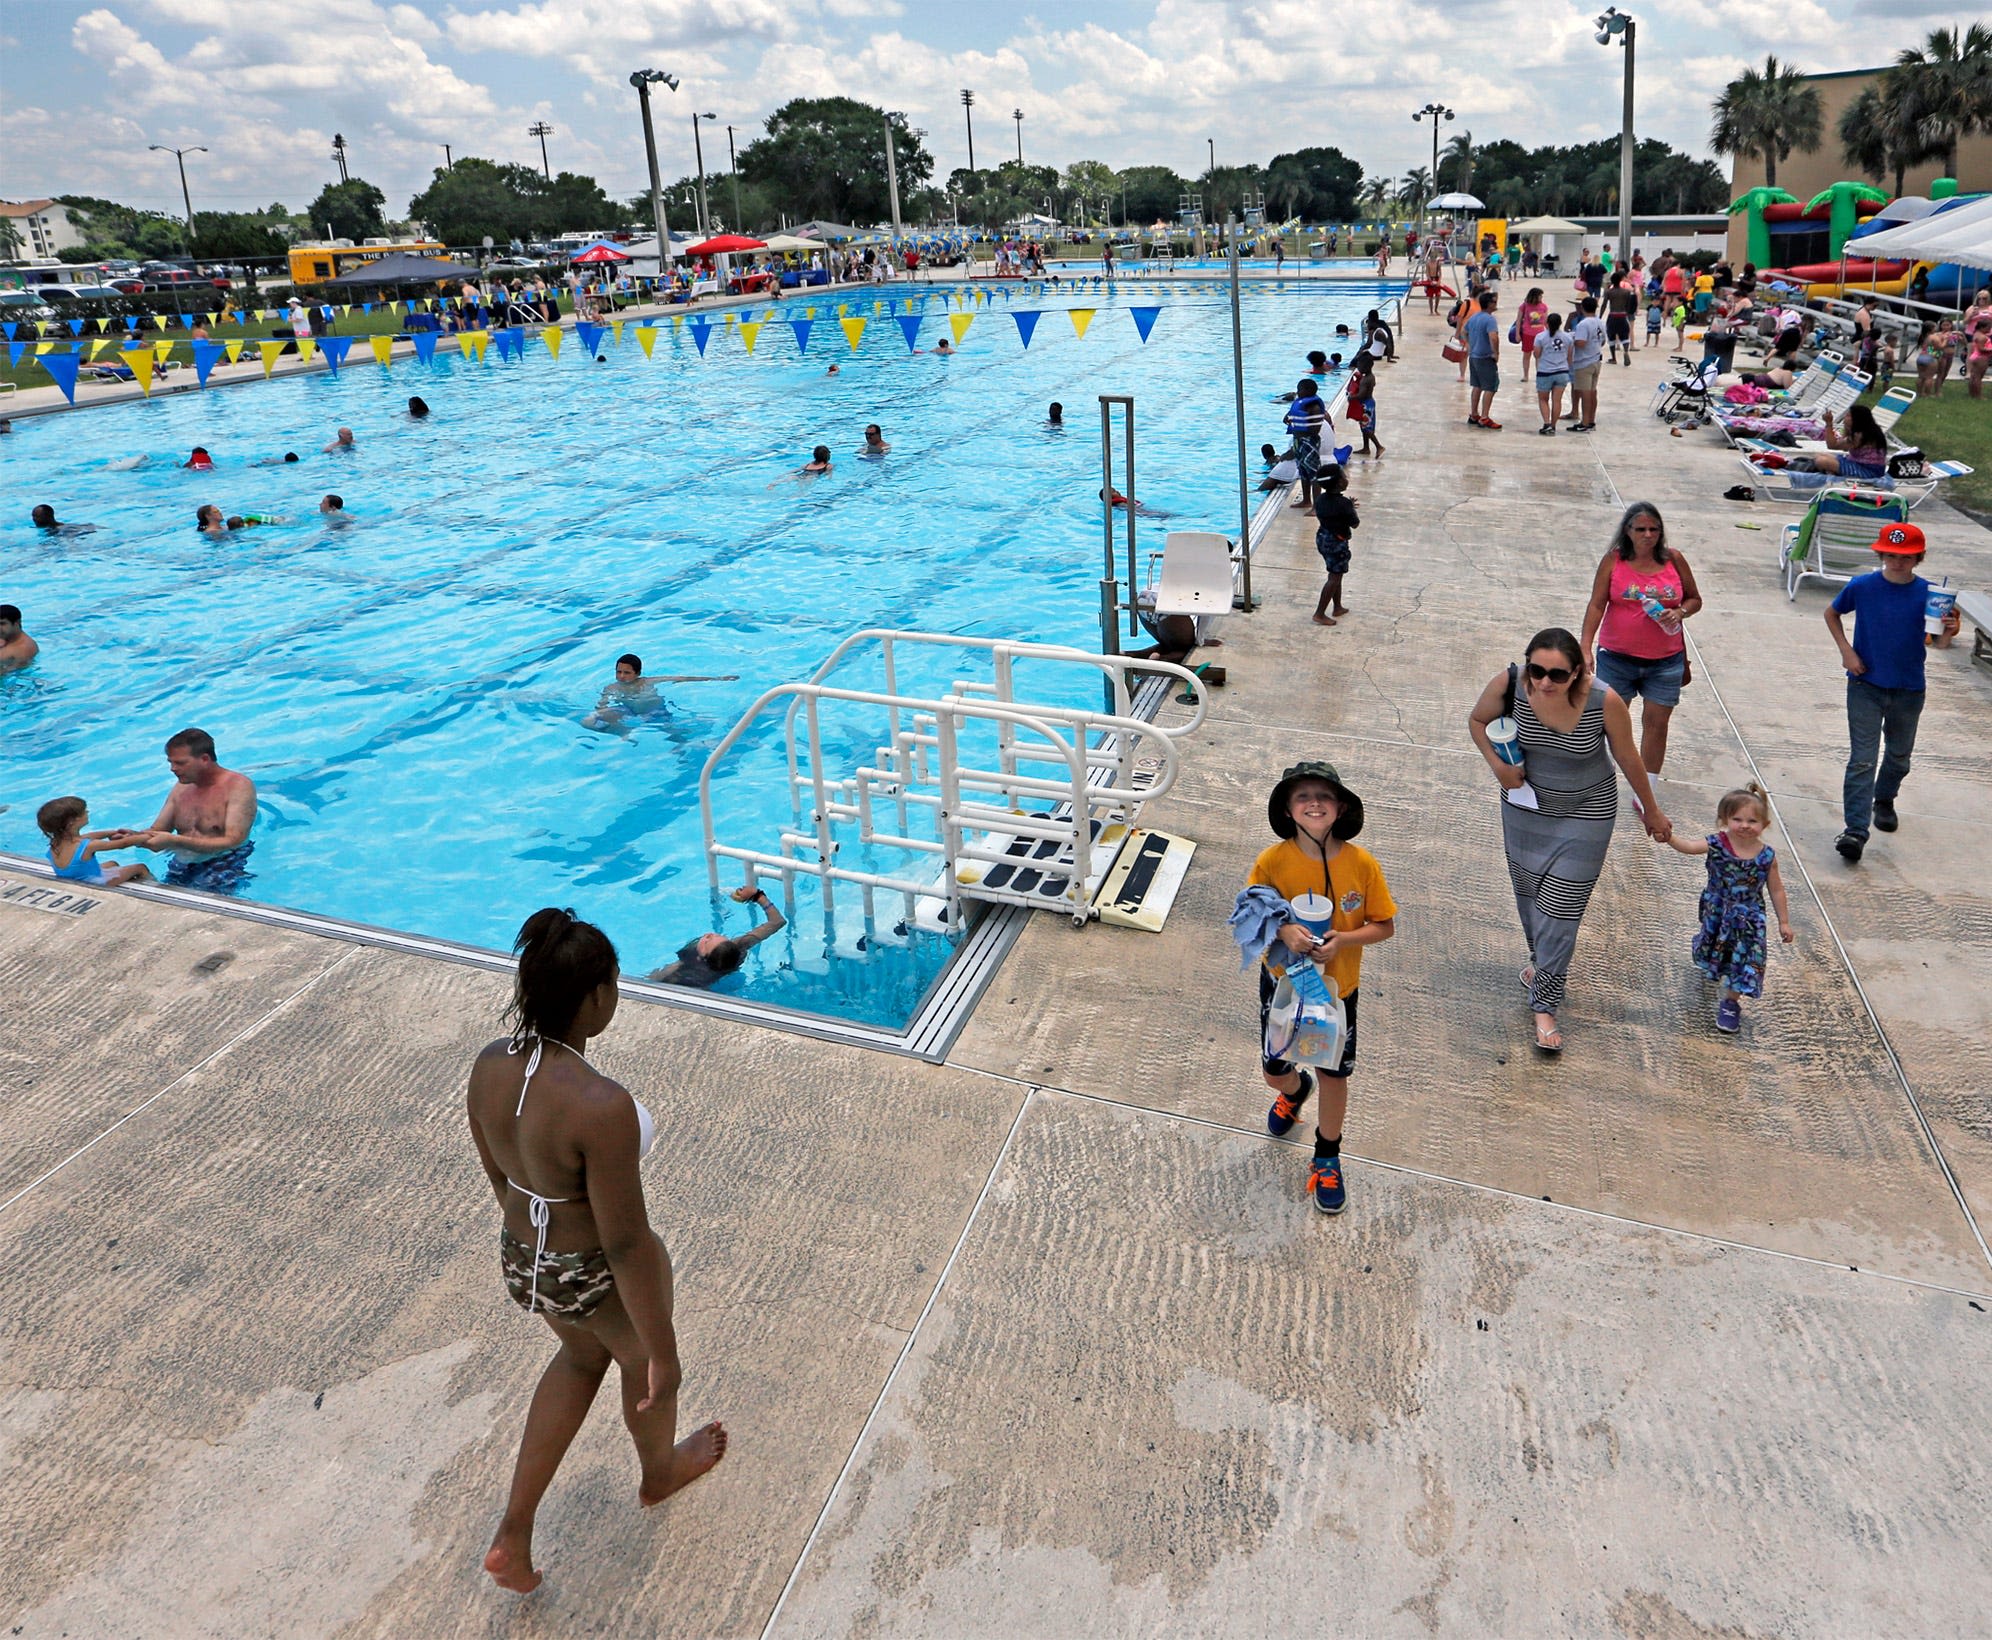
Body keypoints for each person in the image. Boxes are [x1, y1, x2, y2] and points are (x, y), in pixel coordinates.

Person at [468, 908, 726, 1595]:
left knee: (581, 1358)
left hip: (524, 1253)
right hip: (588, 1269)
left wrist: (536, 1250)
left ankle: (514, 1533)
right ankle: (659, 1474)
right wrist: (663, 1352)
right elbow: (626, 1241)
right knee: (642, 1373)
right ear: (598, 997)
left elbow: (498, 1171)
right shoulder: (599, 1104)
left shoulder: (492, 1064)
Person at [1467, 629, 1671, 1054]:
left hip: (1587, 813)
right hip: (1526, 808)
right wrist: (1497, 768)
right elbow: (1477, 721)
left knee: (1561, 907)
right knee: (1530, 898)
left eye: (1557, 675)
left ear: (1577, 672)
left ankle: (1545, 1004)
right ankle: (1542, 965)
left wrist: (1651, 809)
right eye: (1537, 671)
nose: (1544, 682)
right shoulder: (1509, 682)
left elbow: (1628, 757)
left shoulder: (1604, 701)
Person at [1247, 761, 1396, 1217]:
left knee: (1336, 1074)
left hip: (1337, 989)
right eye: (1302, 797)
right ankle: (1293, 1091)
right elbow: (1250, 916)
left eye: (1324, 796)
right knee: (1275, 1067)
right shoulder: (1272, 861)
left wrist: (1344, 940)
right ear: (1288, 811)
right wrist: (1284, 929)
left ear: (1341, 808)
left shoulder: (1361, 864)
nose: (1314, 803)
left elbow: (1384, 925)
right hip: (1283, 985)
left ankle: (1328, 1153)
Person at [1825, 521, 1959, 863]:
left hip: (1908, 688)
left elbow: (1939, 643)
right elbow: (1832, 613)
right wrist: (1846, 651)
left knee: (1899, 756)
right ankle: (1855, 830)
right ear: (1881, 554)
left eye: (1907, 557)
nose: (1897, 563)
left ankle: (1884, 798)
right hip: (1865, 685)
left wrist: (1949, 631)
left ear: (1918, 559)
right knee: (1862, 759)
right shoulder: (1863, 586)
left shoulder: (1929, 595)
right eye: (1891, 555)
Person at [1658, 784, 1793, 1034]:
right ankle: (1707, 952)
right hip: (1718, 910)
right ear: (1724, 820)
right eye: (1737, 819)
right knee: (1714, 949)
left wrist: (1784, 921)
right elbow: (1688, 847)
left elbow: (1776, 889)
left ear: (1764, 824)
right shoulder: (1717, 844)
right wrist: (1669, 837)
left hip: (1750, 918)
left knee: (1745, 961)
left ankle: (1731, 1003)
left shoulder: (1767, 857)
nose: (1744, 825)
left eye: (1752, 820)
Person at [1578, 503, 1702, 773]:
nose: (1648, 535)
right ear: (1628, 531)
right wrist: (1585, 646)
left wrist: (1680, 612)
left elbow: (1695, 599)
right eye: (1641, 529)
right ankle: (1599, 775)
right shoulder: (1614, 560)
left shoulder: (1674, 560)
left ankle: (1647, 790)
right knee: (1608, 722)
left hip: (1665, 661)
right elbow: (1597, 604)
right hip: (1616, 659)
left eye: (1654, 529)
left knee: (1657, 726)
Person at [101, 727, 258, 893]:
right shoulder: (182, 787)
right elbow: (158, 830)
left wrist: (175, 841)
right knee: (164, 895)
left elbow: (234, 841)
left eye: (180, 763)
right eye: (171, 762)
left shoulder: (238, 787)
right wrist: (134, 837)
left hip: (225, 858)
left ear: (205, 759)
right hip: (184, 859)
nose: (173, 769)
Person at [648, 884, 786, 989]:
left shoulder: (684, 968)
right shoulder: (738, 947)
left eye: (708, 940)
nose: (709, 934)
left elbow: (653, 980)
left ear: (700, 956)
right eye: (717, 936)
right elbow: (777, 921)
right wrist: (758, 896)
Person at [583, 653, 738, 732]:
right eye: (619, 672)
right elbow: (601, 706)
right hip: (629, 712)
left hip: (655, 712)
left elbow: (684, 678)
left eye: (627, 673)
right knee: (589, 721)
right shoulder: (611, 688)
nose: (622, 676)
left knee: (674, 733)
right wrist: (599, 715)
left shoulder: (648, 681)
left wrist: (719, 679)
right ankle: (624, 733)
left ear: (637, 673)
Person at [1748, 406, 1890, 482]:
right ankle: (1800, 465)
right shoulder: (1864, 431)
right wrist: (1829, 424)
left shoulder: (1862, 435)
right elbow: (1832, 445)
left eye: (1848, 416)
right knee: (1821, 456)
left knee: (1822, 460)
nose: (1845, 418)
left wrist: (1829, 424)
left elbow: (1833, 445)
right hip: (1857, 464)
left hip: (1867, 471)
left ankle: (1797, 466)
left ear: (1857, 419)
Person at [37, 796, 154, 887]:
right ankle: (154, 887)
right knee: (140, 867)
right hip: (94, 884)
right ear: (72, 821)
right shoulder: (89, 846)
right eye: (84, 812)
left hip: (73, 878)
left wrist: (112, 833)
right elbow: (122, 845)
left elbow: (90, 836)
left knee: (113, 863)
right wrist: (143, 837)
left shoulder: (56, 843)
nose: (87, 812)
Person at [1311, 463, 1358, 627]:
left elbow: (1330, 514)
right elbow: (1355, 523)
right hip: (1337, 543)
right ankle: (1319, 613)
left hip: (1323, 538)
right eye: (1344, 476)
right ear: (1339, 483)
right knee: (1335, 577)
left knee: (1336, 573)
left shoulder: (1320, 499)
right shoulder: (1344, 503)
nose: (1347, 478)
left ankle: (1337, 606)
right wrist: (1351, 508)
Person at [1283, 376, 1328, 508]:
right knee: (1303, 471)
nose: (1298, 392)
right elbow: (1287, 417)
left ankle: (1316, 506)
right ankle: (1306, 500)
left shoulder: (1314, 407)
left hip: (1309, 442)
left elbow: (1316, 428)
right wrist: (1290, 419)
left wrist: (1305, 432)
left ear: (1308, 391)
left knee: (1313, 473)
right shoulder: (1300, 403)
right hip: (1298, 440)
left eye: (1300, 390)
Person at [1566, 296, 1606, 431]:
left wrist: (1573, 339)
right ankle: (1591, 420)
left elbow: (1581, 343)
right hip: (1596, 359)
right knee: (1593, 392)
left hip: (1584, 362)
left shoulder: (1583, 324)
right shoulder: (1600, 322)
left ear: (1583, 307)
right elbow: (1603, 341)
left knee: (1585, 393)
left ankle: (1585, 422)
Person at [1465, 289, 1502, 429]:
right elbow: (1493, 336)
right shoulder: (1490, 319)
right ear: (1488, 304)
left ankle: (1474, 414)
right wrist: (1496, 352)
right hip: (1485, 357)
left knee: (1477, 386)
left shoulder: (1474, 317)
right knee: (1490, 387)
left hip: (1474, 356)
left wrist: (1469, 345)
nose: (1496, 303)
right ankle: (1485, 417)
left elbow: (1464, 331)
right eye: (1494, 302)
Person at [1532, 312, 1574, 435]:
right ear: (1560, 323)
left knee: (1543, 399)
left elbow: (1536, 354)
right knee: (1557, 400)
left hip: (1545, 371)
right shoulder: (1567, 337)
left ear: (1547, 323)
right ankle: (1554, 425)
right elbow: (1569, 357)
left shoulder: (1540, 337)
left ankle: (1547, 423)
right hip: (1562, 372)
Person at [1347, 351, 1383, 459]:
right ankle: (1366, 447)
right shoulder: (1369, 377)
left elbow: (1361, 394)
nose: (1359, 368)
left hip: (1366, 405)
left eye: (1360, 366)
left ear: (1367, 367)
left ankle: (1379, 446)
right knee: (1363, 427)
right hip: (1367, 403)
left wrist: (1351, 397)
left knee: (1367, 428)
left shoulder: (1366, 380)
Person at [1515, 287, 1549, 384]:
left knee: (1539, 356)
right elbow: (1518, 321)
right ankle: (1526, 375)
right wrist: (1517, 334)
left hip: (1540, 335)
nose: (1541, 297)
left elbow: (1546, 322)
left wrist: (1550, 333)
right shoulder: (1524, 306)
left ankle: (1539, 374)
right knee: (1527, 355)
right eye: (1540, 296)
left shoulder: (1544, 307)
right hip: (1527, 334)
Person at [0, 603, 38, 673]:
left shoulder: (23, 649)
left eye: (2, 624)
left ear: (17, 623)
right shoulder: (5, 635)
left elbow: (10, 674)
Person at [30, 504, 95, 537]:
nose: (34, 519)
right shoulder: (55, 528)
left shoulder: (57, 531)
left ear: (48, 517)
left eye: (37, 517)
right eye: (33, 516)